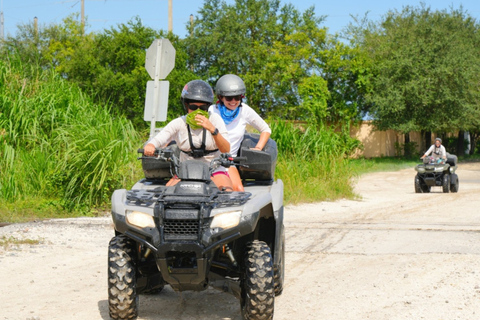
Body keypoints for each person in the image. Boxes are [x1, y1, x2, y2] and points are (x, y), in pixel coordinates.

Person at [144, 80, 233, 191]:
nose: (198, 111)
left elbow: (226, 149)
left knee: (227, 191)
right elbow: (161, 137)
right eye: (194, 107)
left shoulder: (215, 120)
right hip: (185, 171)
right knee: (165, 193)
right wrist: (151, 145)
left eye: (203, 108)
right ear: (186, 106)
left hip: (214, 169)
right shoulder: (179, 122)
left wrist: (212, 129)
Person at [209, 74, 271, 191]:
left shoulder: (244, 110)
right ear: (220, 97)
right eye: (229, 98)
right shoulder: (211, 110)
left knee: (238, 190)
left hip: (227, 160)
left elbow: (266, 129)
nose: (233, 101)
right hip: (208, 158)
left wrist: (258, 148)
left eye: (237, 97)